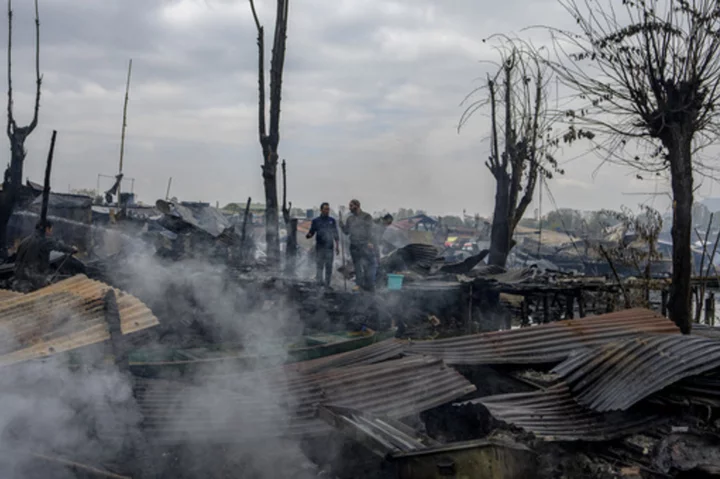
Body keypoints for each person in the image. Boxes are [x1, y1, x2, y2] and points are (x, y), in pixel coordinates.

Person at [13, 220, 78, 292]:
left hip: (18, 278)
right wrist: (72, 249)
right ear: (47, 229)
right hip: (35, 279)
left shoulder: (24, 241)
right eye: (51, 229)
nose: (51, 232)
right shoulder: (45, 240)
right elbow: (60, 246)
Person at [341, 199, 375, 291]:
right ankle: (358, 284)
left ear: (357, 206)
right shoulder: (350, 219)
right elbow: (346, 232)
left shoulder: (366, 217)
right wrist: (341, 225)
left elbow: (371, 231)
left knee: (367, 264)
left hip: (364, 244)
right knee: (357, 265)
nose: (350, 208)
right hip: (354, 245)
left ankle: (369, 285)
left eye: (351, 206)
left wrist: (370, 242)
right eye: (349, 206)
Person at [306, 202, 340, 287]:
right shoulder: (316, 221)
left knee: (329, 267)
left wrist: (337, 246)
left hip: (329, 248)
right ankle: (319, 283)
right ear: (321, 210)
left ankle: (327, 284)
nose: (327, 211)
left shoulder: (332, 221)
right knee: (319, 266)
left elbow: (335, 234)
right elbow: (312, 232)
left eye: (328, 209)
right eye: (325, 209)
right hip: (320, 247)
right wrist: (309, 235)